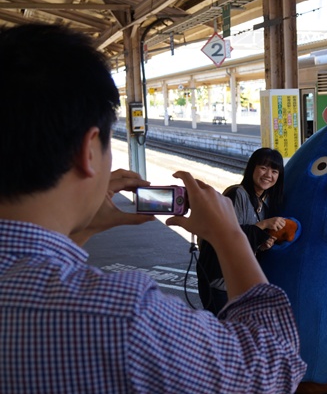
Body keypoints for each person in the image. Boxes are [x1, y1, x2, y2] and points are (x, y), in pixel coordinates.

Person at [0, 23, 305, 393]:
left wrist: (80, 229)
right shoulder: (122, 316)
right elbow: (273, 370)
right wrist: (229, 237)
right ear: (89, 150)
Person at [197, 147, 287, 314]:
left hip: (240, 281)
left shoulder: (265, 202)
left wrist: (262, 243)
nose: (268, 174)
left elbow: (247, 241)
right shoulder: (237, 193)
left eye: (274, 171)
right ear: (252, 168)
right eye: (263, 167)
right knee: (223, 329)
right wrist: (263, 225)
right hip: (219, 280)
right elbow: (228, 234)